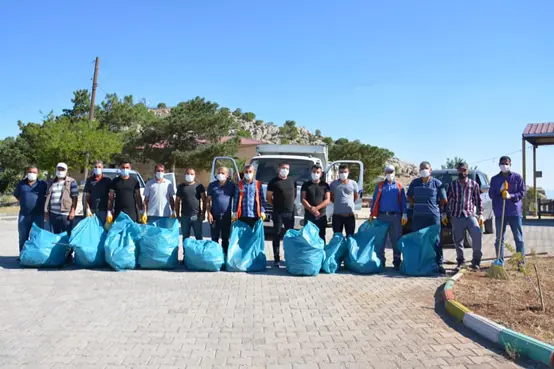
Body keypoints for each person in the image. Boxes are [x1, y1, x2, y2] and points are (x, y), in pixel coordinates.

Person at [407, 161, 447, 274]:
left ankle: (439, 264)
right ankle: (418, 263)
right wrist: (416, 204)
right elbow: (409, 196)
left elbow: (444, 199)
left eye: (426, 168)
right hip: (418, 217)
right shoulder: (414, 183)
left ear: (430, 170)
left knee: (436, 241)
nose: (424, 170)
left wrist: (436, 207)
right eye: (422, 168)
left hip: (433, 217)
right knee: (418, 240)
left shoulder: (437, 183)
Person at [446, 162, 483, 271]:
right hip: (456, 215)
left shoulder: (474, 185)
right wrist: (445, 213)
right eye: (460, 170)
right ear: (457, 171)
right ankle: (461, 261)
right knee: (458, 240)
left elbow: (478, 200)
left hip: (470, 215)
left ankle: (476, 261)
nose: (462, 172)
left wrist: (481, 214)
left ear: (468, 171)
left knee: (477, 235)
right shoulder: (452, 185)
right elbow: (447, 200)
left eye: (464, 170)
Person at [489, 156, 526, 266]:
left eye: (506, 163)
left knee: (518, 238)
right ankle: (500, 261)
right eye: (502, 163)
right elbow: (491, 194)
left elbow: (522, 192)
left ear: (510, 164)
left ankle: (521, 262)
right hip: (500, 212)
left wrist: (511, 196)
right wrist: (500, 192)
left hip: (514, 212)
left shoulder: (517, 177)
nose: (504, 165)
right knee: (499, 238)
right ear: (499, 164)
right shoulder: (495, 179)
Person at [370, 164, 407, 270]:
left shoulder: (399, 186)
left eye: (391, 172)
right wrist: (372, 213)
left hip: (396, 217)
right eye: (387, 172)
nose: (389, 174)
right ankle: (381, 261)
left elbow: (403, 202)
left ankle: (397, 261)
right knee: (381, 240)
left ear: (394, 172)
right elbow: (375, 200)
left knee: (396, 240)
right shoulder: (380, 186)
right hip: (382, 216)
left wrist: (404, 214)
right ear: (384, 173)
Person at [267, 162, 297, 267]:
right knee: (277, 235)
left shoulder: (293, 180)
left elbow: (295, 195)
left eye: (287, 168)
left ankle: (290, 257)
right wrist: (276, 204)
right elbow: (269, 197)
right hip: (277, 212)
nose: (285, 170)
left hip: (290, 212)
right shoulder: (273, 182)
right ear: (278, 169)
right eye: (283, 168)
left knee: (290, 236)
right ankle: (276, 259)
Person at [15, 165, 47, 258]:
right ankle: (22, 256)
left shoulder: (42, 184)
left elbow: (47, 196)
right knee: (23, 237)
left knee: (37, 237)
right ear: (27, 172)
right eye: (30, 172)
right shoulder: (21, 184)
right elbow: (17, 196)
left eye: (34, 172)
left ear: (37, 174)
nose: (32, 174)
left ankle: (36, 256)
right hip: (24, 215)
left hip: (38, 215)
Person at [207, 167, 236, 254]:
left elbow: (236, 199)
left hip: (226, 217)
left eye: (222, 173)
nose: (220, 174)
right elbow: (208, 201)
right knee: (214, 238)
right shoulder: (212, 185)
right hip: (214, 216)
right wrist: (208, 213)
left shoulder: (231, 186)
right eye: (219, 172)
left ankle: (225, 256)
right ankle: (215, 257)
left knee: (225, 238)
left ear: (227, 175)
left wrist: (235, 214)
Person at [44, 162, 79, 235]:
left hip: (65, 214)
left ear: (66, 171)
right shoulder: (51, 182)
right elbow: (47, 197)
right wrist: (46, 211)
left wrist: (72, 211)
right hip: (53, 214)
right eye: (58, 169)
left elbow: (75, 197)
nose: (60, 171)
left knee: (66, 235)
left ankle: (67, 247)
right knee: (56, 234)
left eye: (62, 169)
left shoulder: (71, 181)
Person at [301, 164, 330, 240]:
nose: (315, 174)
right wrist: (311, 209)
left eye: (317, 172)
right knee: (308, 237)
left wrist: (316, 208)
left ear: (321, 174)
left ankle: (321, 251)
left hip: (321, 215)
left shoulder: (325, 185)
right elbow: (303, 199)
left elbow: (327, 200)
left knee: (321, 236)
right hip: (309, 215)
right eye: (314, 172)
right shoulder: (306, 185)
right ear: (311, 172)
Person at [176, 168, 206, 240]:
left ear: (194, 175)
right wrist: (177, 215)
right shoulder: (181, 187)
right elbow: (177, 201)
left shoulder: (199, 187)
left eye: (191, 174)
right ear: (185, 175)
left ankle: (199, 251)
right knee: (185, 238)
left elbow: (204, 200)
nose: (189, 175)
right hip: (184, 217)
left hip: (197, 216)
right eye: (188, 174)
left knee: (198, 237)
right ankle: (185, 251)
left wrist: (203, 214)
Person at [330, 165, 359, 236]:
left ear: (348, 172)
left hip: (349, 216)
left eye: (345, 172)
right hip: (337, 216)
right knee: (337, 238)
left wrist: (350, 203)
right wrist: (338, 203)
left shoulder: (353, 183)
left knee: (350, 237)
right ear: (338, 173)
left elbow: (356, 196)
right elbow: (330, 197)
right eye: (341, 172)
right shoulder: (333, 184)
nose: (343, 174)